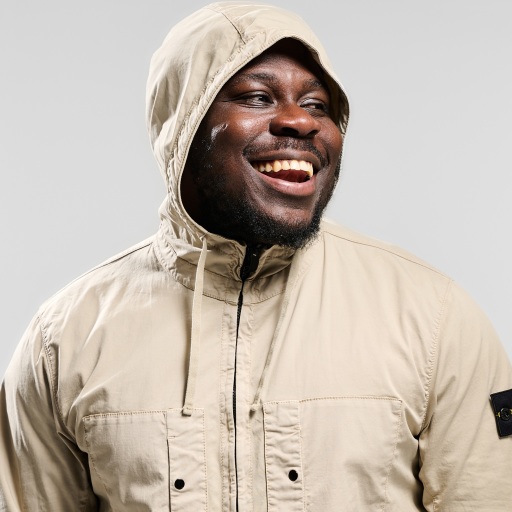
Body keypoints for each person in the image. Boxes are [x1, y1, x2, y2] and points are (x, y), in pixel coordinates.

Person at [1, 2, 511, 510]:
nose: (300, 121)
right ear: (183, 128)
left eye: (317, 104)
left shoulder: (436, 318)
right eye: (257, 97)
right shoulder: (64, 338)